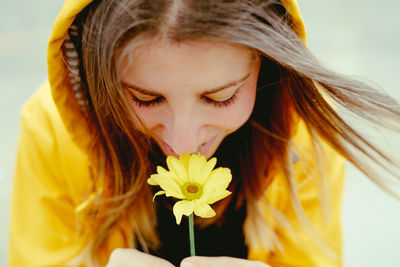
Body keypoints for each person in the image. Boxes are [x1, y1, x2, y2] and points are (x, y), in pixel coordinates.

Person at [9, 0, 400, 266]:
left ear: (268, 67)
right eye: (146, 99)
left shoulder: (308, 142)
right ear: (100, 79)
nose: (182, 145)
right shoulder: (50, 130)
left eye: (220, 97)